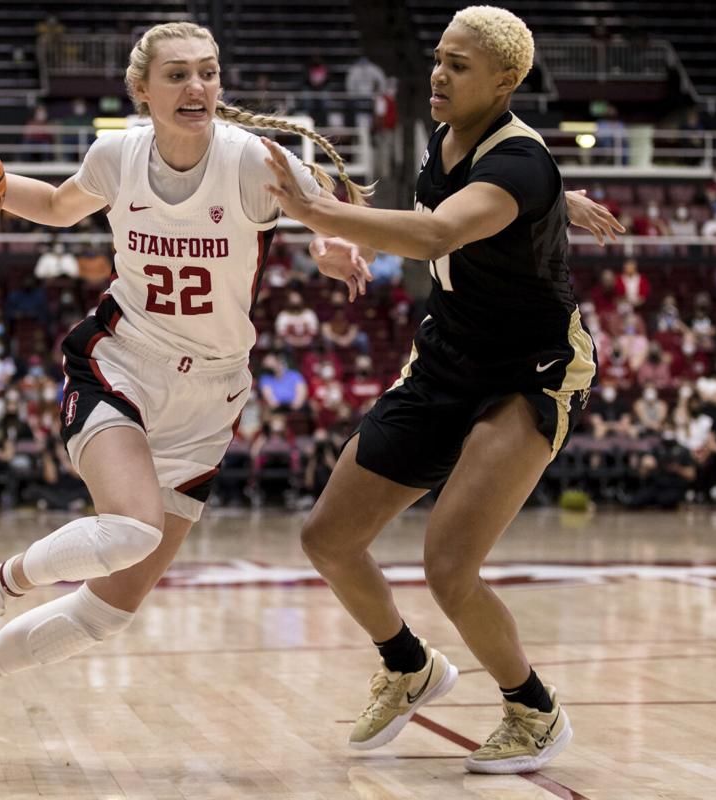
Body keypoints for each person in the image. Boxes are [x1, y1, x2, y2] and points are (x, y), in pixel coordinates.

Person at [0, 20, 374, 768]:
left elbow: (320, 220)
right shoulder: (116, 154)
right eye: (178, 74)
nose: (199, 88)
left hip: (212, 397)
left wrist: (334, 248)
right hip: (121, 363)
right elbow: (54, 206)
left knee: (108, 611)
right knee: (132, 528)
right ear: (140, 90)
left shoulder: (255, 162)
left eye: (209, 72)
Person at [261, 6, 623, 774]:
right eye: (438, 58)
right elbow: (479, 200)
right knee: (328, 538)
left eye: (458, 65)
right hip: (446, 360)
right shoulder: (447, 137)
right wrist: (561, 204)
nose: (438, 73)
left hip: (527, 371)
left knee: (449, 567)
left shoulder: (521, 163)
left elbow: (436, 235)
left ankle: (533, 711)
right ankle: (408, 665)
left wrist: (319, 212)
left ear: (506, 79)